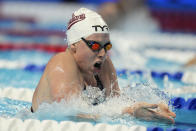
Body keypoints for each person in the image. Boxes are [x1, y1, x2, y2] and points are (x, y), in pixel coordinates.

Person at [31, 8, 176, 124]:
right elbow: (67, 113)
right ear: (74, 45)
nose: (102, 53)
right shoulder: (61, 64)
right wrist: (128, 111)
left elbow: (116, 102)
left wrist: (151, 108)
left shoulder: (104, 65)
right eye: (94, 45)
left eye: (106, 46)